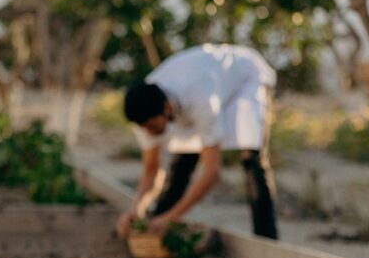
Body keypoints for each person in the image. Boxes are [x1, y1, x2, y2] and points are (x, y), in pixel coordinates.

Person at [118, 43, 279, 240]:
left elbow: (212, 172)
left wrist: (172, 218)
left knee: (252, 158)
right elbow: (151, 170)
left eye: (152, 127)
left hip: (244, 79)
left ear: (167, 108)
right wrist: (137, 208)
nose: (149, 133)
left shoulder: (202, 100)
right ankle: (157, 227)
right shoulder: (143, 109)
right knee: (183, 162)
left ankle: (266, 238)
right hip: (202, 86)